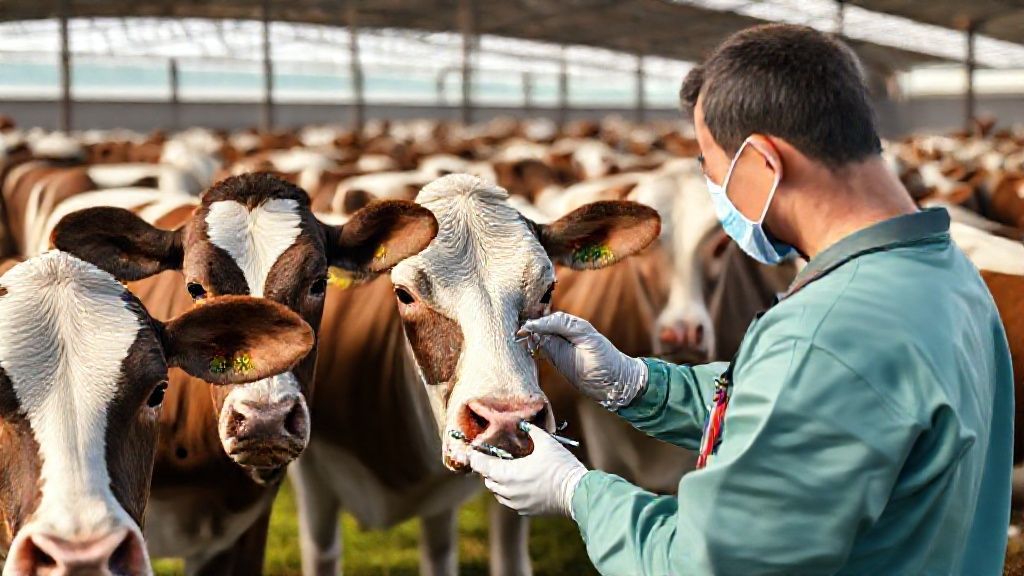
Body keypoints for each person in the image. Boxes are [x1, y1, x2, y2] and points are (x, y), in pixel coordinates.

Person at [469, 24, 1013, 575]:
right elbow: (816, 411)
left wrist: (577, 491)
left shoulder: (827, 334)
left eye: (710, 166)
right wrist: (636, 383)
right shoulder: (947, 273)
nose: (714, 187)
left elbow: (706, 566)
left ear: (761, 163)